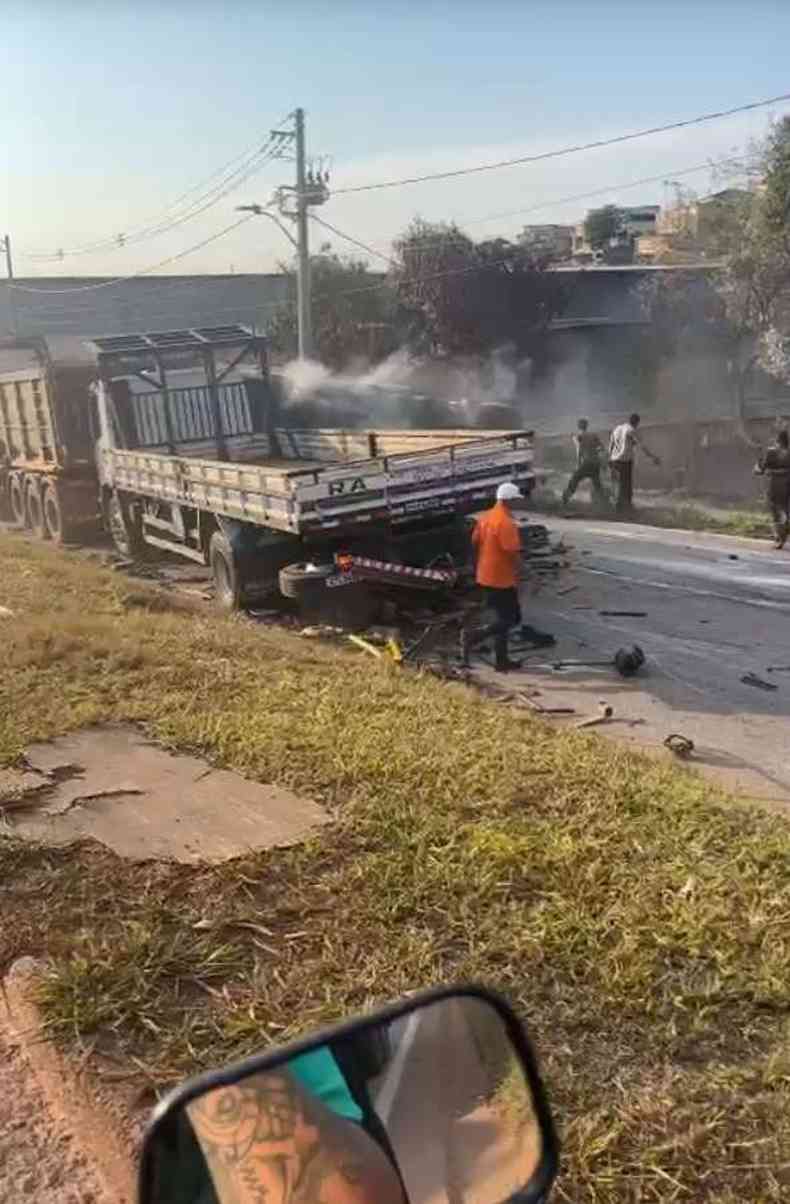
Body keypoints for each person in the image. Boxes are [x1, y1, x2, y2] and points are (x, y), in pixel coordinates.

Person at [461, 482, 554, 673]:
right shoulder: (505, 523)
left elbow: (475, 543)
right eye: (515, 501)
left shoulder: (486, 518)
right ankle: (472, 637)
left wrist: (475, 567)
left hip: (485, 576)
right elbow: (513, 554)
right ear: (508, 500)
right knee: (512, 618)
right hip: (500, 578)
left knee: (502, 618)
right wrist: (530, 574)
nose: (517, 505)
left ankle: (501, 661)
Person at [608, 412, 660, 514]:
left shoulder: (617, 428)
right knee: (626, 485)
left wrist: (609, 458)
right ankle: (626, 508)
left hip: (614, 460)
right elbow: (642, 446)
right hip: (625, 460)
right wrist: (653, 457)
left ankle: (617, 506)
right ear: (636, 422)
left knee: (617, 484)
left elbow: (611, 444)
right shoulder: (632, 430)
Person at [755, 428, 790, 549]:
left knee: (775, 511)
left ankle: (780, 538)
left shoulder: (771, 452)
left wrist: (758, 465)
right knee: (785, 510)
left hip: (775, 484)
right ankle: (782, 535)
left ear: (777, 439)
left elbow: (761, 469)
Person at [562, 418, 606, 506]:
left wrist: (578, 464)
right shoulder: (593, 435)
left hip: (587, 463)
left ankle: (565, 500)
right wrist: (595, 453)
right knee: (597, 484)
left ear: (578, 427)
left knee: (574, 480)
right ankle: (604, 502)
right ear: (587, 426)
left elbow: (579, 450)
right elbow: (602, 448)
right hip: (596, 463)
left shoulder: (577, 436)